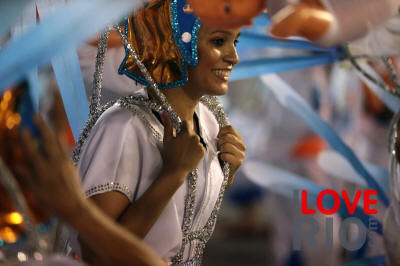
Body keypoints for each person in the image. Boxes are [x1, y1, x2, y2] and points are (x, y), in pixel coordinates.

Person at [72, 0, 246, 264]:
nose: (234, 56)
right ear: (175, 43)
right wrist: (172, 173)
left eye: (236, 42)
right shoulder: (123, 129)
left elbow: (187, 228)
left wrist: (224, 176)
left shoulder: (210, 122)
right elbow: (96, 254)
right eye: (219, 41)